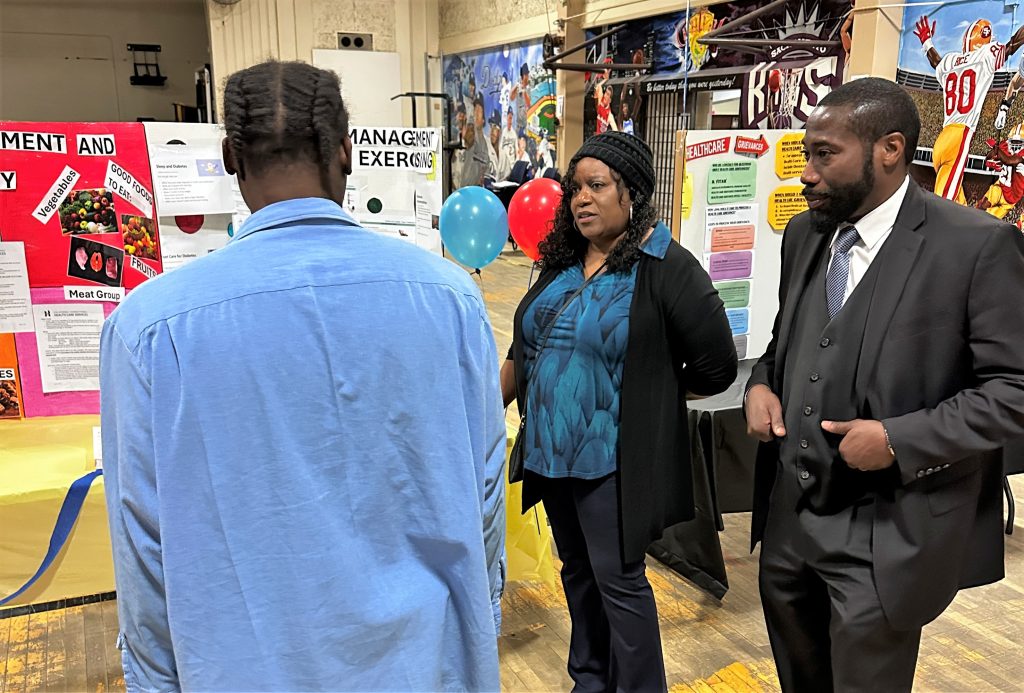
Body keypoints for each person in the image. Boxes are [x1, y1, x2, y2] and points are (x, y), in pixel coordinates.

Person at [100, 60, 506, 692]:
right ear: (346, 149)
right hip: (425, 664)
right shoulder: (449, 298)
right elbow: (484, 495)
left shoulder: (150, 327)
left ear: (231, 157)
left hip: (244, 669)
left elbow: (142, 540)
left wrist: (155, 682)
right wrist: (477, 632)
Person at [744, 77, 1024, 692]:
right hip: (790, 525)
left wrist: (900, 439)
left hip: (886, 533)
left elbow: (1014, 391)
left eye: (825, 154)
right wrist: (760, 385)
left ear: (889, 149)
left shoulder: (974, 246)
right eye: (807, 153)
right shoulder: (804, 234)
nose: (806, 173)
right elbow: (784, 344)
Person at [501, 131, 737, 692]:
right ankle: (590, 681)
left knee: (619, 582)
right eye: (573, 188)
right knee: (577, 574)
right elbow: (524, 349)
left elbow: (716, 368)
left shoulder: (665, 266)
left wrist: (649, 395)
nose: (581, 198)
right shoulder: (559, 262)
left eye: (596, 186)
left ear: (631, 192)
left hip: (611, 459)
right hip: (550, 452)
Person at [913, 15, 1024, 203]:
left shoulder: (950, 61)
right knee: (944, 208)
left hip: (942, 140)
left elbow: (935, 62)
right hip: (959, 137)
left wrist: (926, 42)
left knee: (960, 206)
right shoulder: (985, 56)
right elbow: (1013, 43)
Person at [978, 122, 1024, 220]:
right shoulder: (1005, 145)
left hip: (1011, 199)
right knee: (981, 208)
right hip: (1000, 188)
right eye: (1013, 141)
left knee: (989, 221)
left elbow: (1009, 160)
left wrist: (996, 148)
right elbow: (989, 158)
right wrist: (991, 160)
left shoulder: (1020, 157)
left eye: (1019, 143)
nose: (1015, 145)